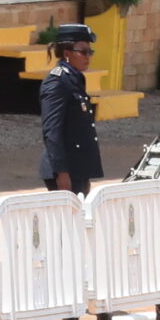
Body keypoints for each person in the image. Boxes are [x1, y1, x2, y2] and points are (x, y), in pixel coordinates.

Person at [38, 21, 101, 195]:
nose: (88, 56)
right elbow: (52, 130)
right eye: (83, 52)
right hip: (64, 169)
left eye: (90, 52)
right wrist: (62, 173)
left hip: (78, 167)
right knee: (65, 220)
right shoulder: (57, 81)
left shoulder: (73, 78)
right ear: (66, 54)